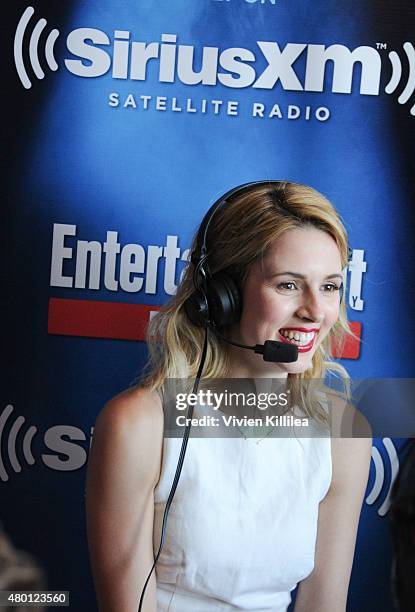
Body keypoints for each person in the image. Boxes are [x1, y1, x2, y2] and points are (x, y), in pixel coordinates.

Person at [86, 181, 372, 612]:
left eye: (330, 286)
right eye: (288, 285)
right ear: (223, 297)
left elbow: (325, 604)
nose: (316, 311)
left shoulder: (344, 434)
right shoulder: (139, 424)